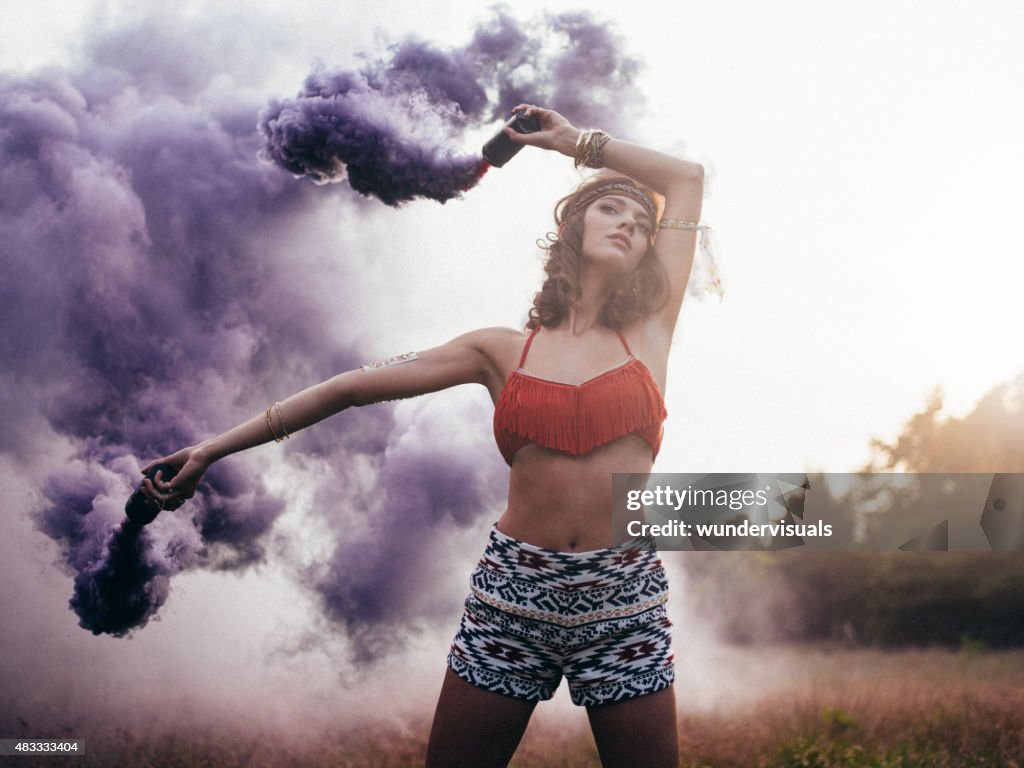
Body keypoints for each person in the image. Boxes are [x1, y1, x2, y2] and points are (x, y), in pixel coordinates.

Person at [140, 105, 706, 768]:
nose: (632, 226)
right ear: (575, 226)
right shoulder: (498, 351)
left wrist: (569, 143)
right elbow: (352, 385)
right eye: (613, 210)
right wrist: (211, 449)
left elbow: (688, 178)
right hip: (512, 594)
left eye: (643, 225)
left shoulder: (649, 332)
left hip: (622, 594)